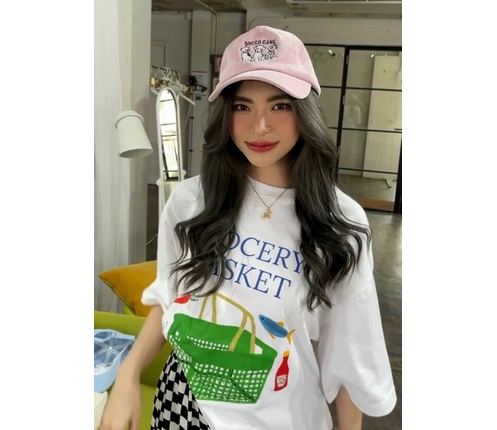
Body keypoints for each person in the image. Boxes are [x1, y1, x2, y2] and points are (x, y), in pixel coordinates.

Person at [100, 25, 397, 430]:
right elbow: (171, 296)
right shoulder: (191, 201)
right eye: (243, 106)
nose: (260, 126)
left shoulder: (339, 222)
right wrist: (129, 374)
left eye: (279, 106)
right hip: (182, 403)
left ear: (305, 112)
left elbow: (350, 357)